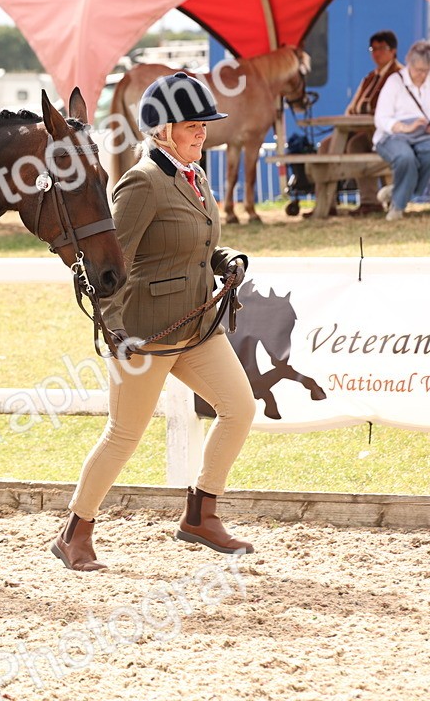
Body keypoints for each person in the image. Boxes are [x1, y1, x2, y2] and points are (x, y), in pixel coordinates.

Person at [51, 73, 256, 572]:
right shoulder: (141, 184)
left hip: (197, 325)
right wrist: (116, 330)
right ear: (162, 130)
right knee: (124, 435)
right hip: (147, 333)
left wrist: (226, 259)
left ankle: (201, 514)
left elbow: (200, 243)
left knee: (240, 407)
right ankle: (75, 532)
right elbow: (110, 268)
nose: (202, 135)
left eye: (204, 126)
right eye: (192, 126)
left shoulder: (195, 175)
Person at [373, 39, 430, 221]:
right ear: (409, 63)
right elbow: (381, 118)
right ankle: (397, 207)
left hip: (427, 135)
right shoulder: (394, 82)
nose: (421, 75)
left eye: (425, 71)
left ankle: (398, 192)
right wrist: (405, 127)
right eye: (418, 70)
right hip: (394, 135)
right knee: (405, 157)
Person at [331, 30, 402, 216]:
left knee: (356, 145)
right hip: (359, 128)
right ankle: (327, 203)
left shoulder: (399, 76)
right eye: (373, 48)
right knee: (326, 146)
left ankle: (370, 201)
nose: (376, 53)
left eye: (381, 48)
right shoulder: (369, 78)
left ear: (393, 51)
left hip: (384, 134)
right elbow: (352, 107)